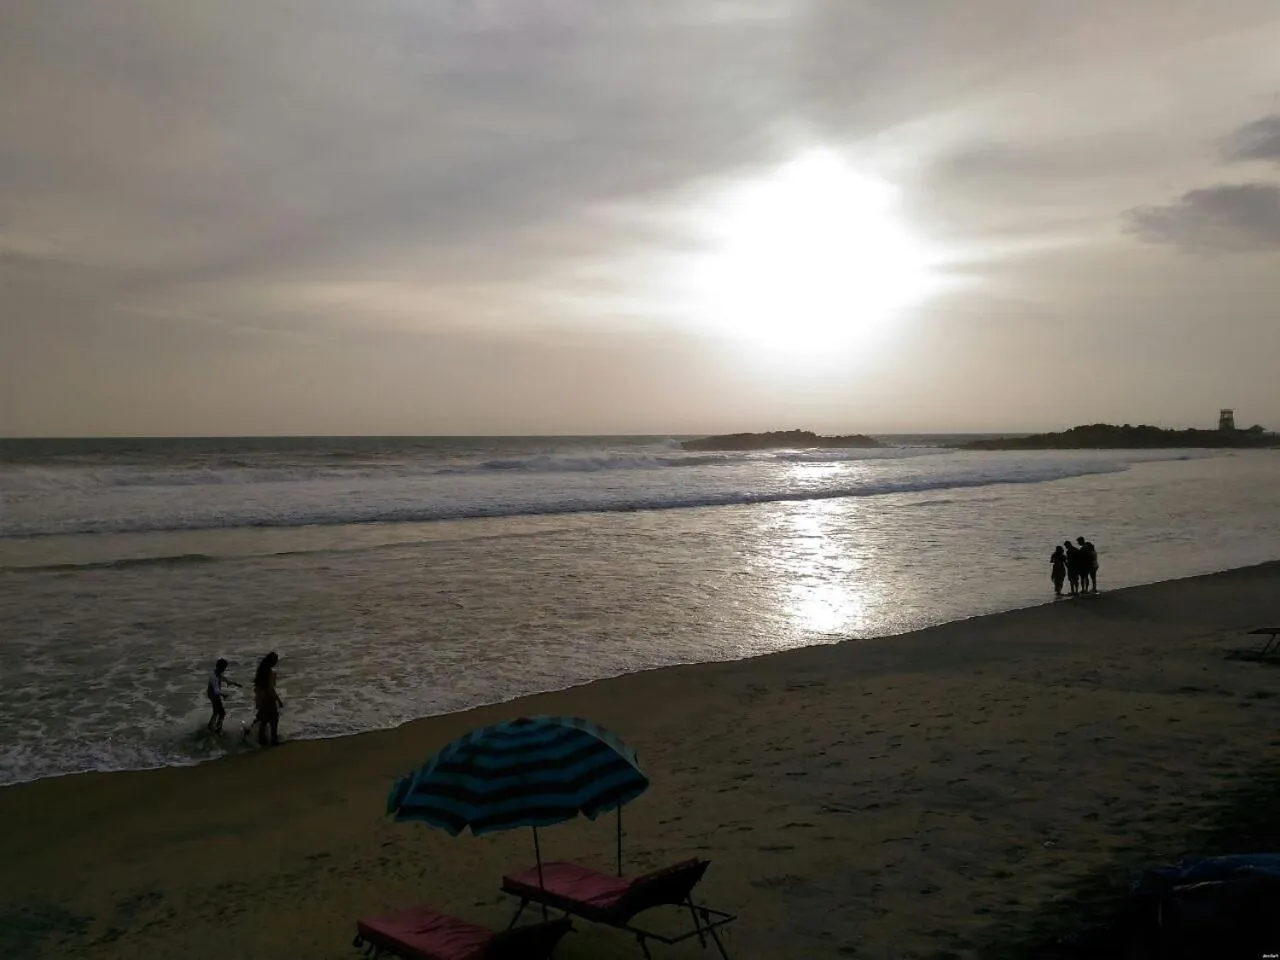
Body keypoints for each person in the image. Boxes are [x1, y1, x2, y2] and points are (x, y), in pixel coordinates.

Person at [249, 651, 283, 747]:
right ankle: (273, 740)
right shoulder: (269, 672)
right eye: (275, 661)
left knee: (263, 719)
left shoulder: (261, 671)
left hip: (262, 698)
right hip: (268, 699)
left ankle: (260, 739)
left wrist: (258, 700)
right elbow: (270, 689)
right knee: (274, 719)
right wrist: (278, 700)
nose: (276, 663)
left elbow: (258, 688)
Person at [206, 658, 239, 734]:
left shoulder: (218, 674)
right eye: (224, 668)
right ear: (220, 667)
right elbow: (216, 690)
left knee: (216, 712)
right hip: (214, 696)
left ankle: (211, 727)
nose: (224, 669)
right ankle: (218, 729)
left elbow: (226, 680)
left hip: (214, 695)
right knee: (222, 713)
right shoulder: (214, 677)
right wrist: (223, 695)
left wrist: (234, 683)